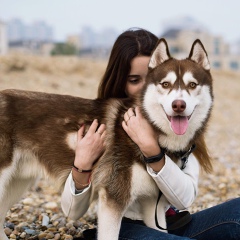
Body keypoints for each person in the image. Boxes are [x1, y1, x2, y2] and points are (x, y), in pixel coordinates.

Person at [61, 28, 240, 240]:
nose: (149, 89)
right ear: (120, 82)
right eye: (136, 80)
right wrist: (82, 165)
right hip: (126, 229)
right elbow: (72, 212)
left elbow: (184, 199)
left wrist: (153, 153)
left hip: (179, 224)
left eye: (155, 81)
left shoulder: (181, 126)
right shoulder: (100, 127)